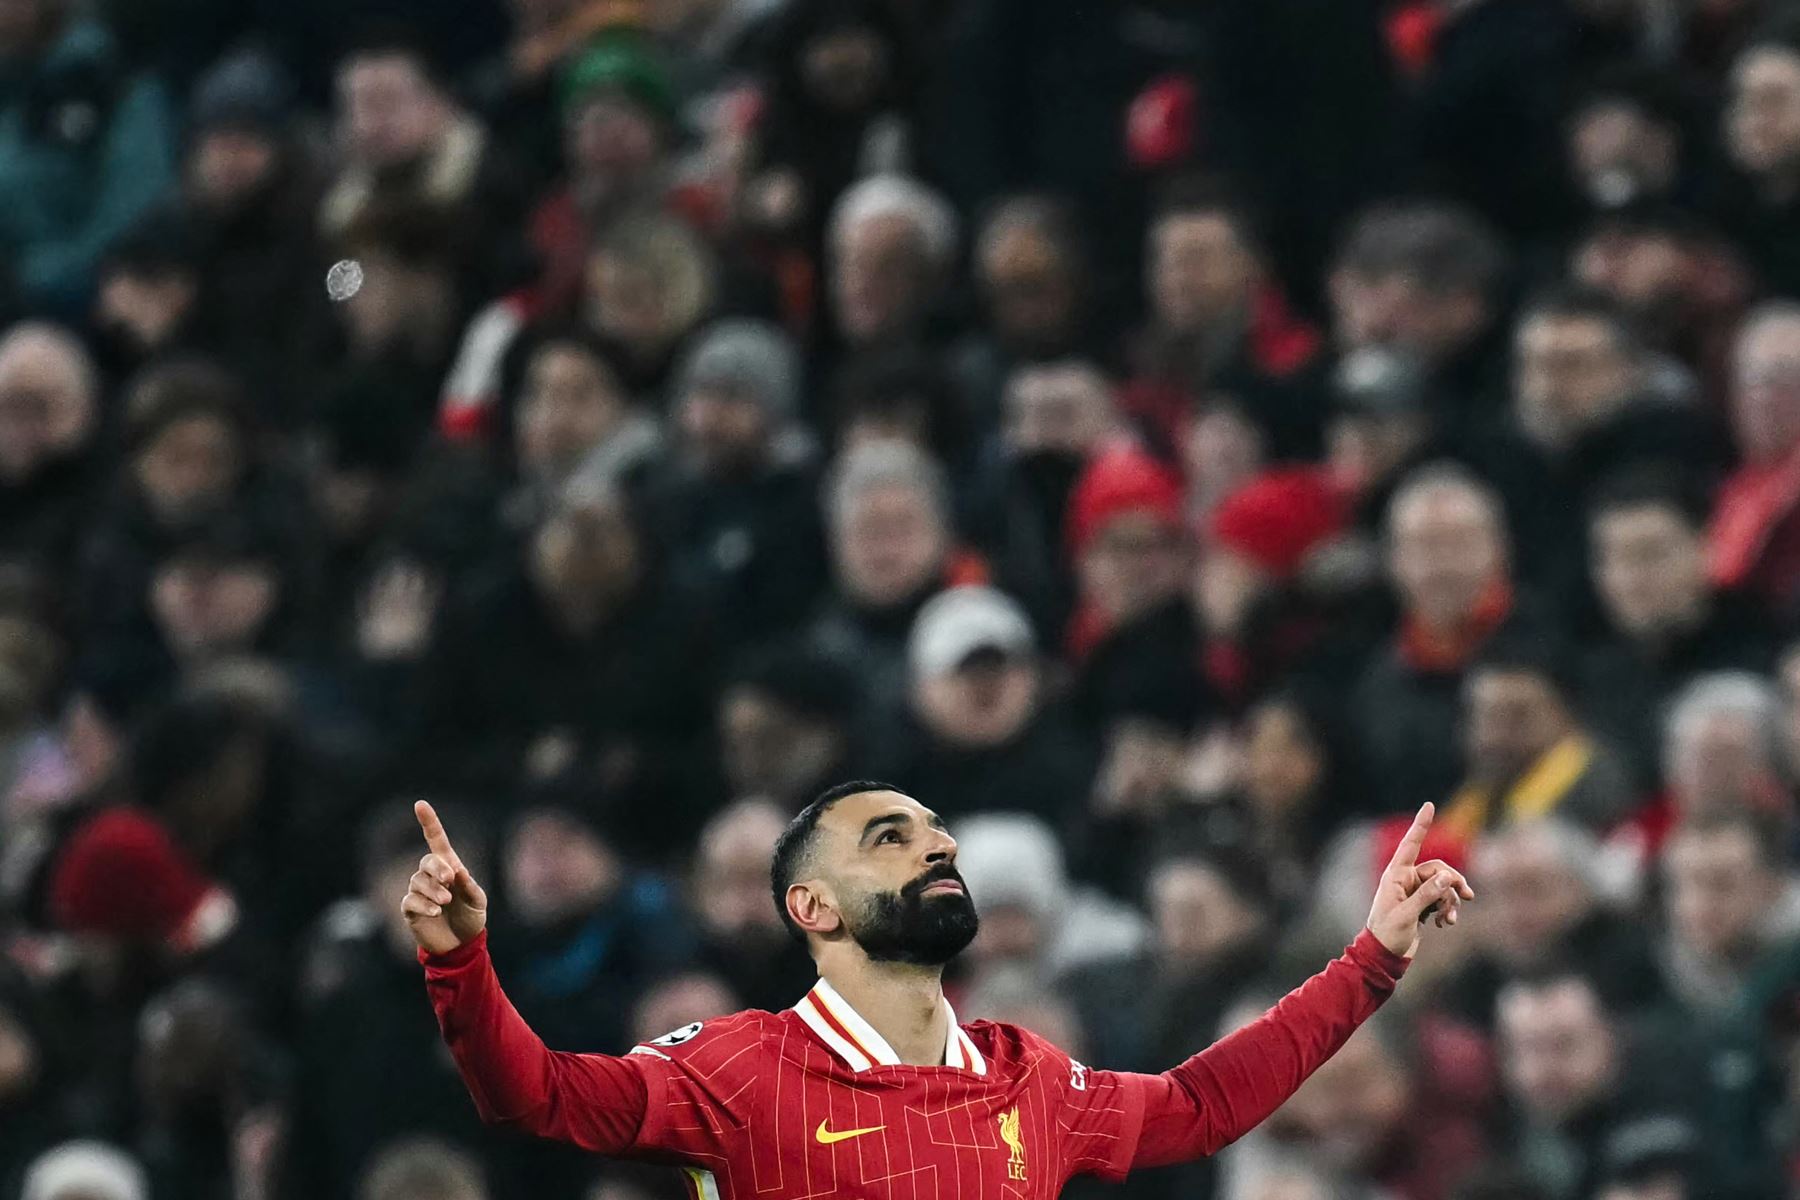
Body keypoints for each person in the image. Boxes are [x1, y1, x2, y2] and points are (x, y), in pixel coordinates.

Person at [407, 785, 1473, 1197]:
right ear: (813, 908)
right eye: (892, 839)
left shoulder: (1029, 1077)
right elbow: (532, 1094)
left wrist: (1370, 960)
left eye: (937, 835)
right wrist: (462, 965)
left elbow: (1200, 1109)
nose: (938, 848)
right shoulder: (733, 1068)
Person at [1352, 465, 1537, 813]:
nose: (1442, 565)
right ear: (1394, 562)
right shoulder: (1376, 682)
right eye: (1424, 547)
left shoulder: (1550, 653)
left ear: (1499, 549)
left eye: (1459, 543)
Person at [1581, 469, 1775, 783]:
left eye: (1650, 555)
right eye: (1611, 558)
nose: (1629, 580)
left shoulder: (1763, 657)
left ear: (1706, 547)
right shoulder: (1595, 675)